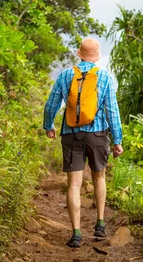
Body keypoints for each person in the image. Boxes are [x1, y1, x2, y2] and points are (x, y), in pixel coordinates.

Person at [43, 37, 123, 248]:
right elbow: (112, 111)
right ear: (96, 57)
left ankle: (76, 234)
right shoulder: (104, 77)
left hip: (71, 134)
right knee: (99, 177)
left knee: (74, 184)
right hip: (97, 135)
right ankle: (100, 224)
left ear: (79, 54)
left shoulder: (66, 75)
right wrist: (118, 140)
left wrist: (48, 125)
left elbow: (52, 104)